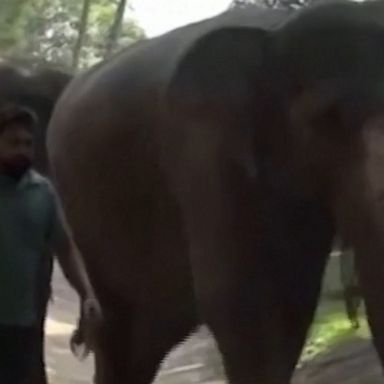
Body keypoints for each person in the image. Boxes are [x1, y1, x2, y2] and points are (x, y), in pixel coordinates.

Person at [0, 103, 101, 384]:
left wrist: (87, 294)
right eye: (12, 143)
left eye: (27, 144)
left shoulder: (42, 193)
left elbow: (66, 248)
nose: (21, 151)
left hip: (22, 323)